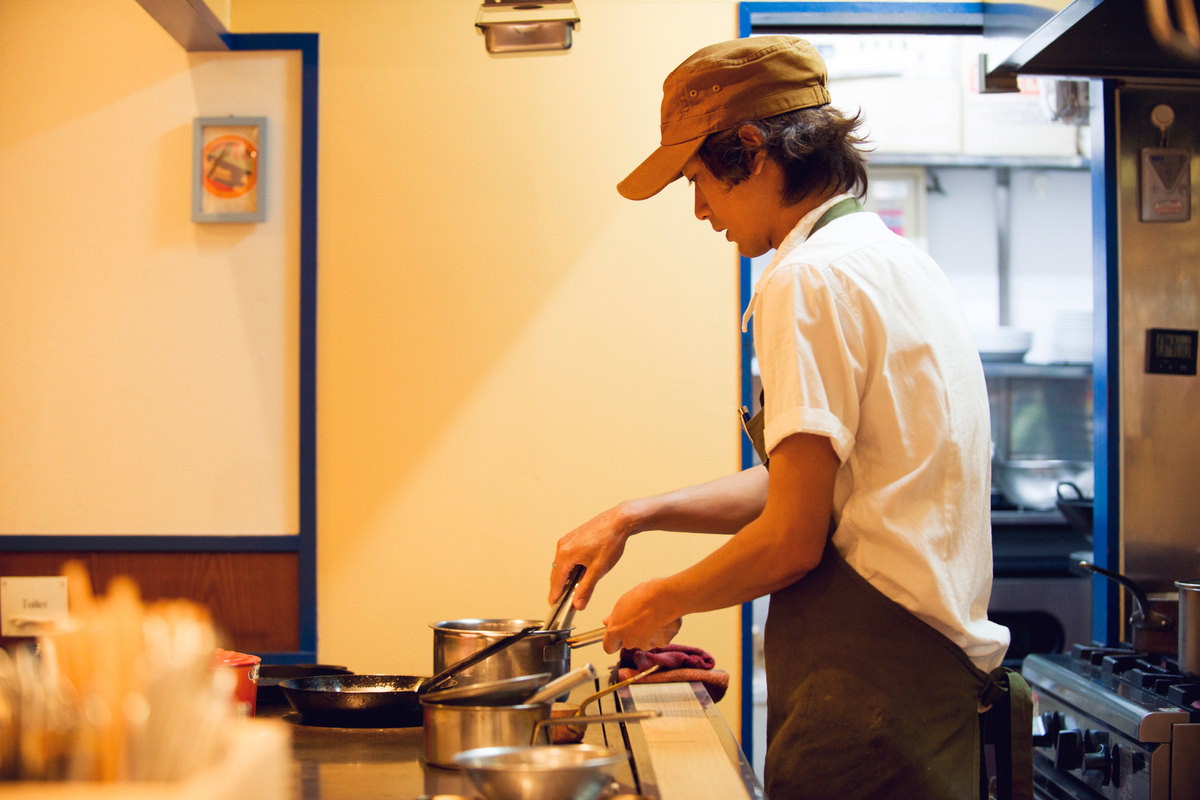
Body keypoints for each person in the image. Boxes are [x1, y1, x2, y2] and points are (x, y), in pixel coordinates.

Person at [547, 36, 1031, 800]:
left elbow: (792, 537)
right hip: (919, 693)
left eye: (699, 179)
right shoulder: (891, 259)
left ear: (751, 149)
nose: (700, 209)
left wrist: (662, 598)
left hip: (869, 713)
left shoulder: (805, 280)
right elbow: (803, 486)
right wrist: (634, 516)